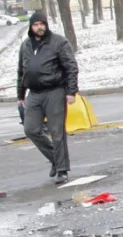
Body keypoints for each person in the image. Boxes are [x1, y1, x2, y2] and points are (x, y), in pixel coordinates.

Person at [15, 10, 79, 184]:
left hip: (55, 91)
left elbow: (71, 67)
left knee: (56, 132)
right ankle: (55, 159)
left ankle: (62, 170)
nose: (39, 27)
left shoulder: (58, 42)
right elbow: (22, 71)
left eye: (42, 24)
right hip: (34, 94)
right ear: (31, 27)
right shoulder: (26, 45)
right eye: (36, 24)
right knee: (31, 129)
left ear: (46, 25)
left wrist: (71, 91)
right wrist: (20, 94)